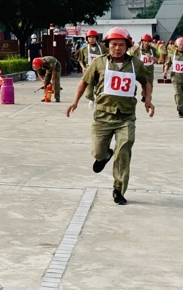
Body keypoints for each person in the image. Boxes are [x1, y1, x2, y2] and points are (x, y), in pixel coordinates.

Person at [66, 27, 155, 205]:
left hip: (126, 117)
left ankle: (119, 189)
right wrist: (75, 101)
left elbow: (146, 82)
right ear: (107, 45)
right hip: (102, 116)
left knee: (124, 151)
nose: (117, 48)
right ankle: (104, 156)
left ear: (128, 46)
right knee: (98, 151)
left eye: (122, 45)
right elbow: (84, 81)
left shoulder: (136, 64)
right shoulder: (99, 63)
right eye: (113, 44)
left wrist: (148, 100)